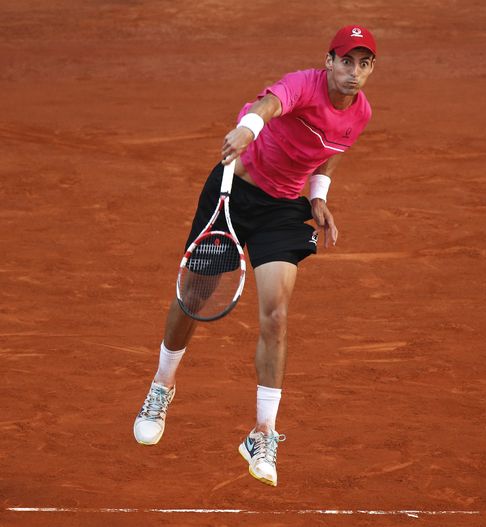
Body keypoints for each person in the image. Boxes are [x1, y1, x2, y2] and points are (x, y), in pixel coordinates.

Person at [132, 25, 377, 487]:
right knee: (196, 295)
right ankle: (161, 386)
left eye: (364, 64)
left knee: (276, 314)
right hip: (235, 190)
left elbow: (332, 151)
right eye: (346, 61)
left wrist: (319, 195)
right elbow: (271, 104)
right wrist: (247, 129)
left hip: (282, 211)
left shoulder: (360, 113)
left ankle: (262, 433)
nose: (354, 71)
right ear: (329, 62)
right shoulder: (303, 84)